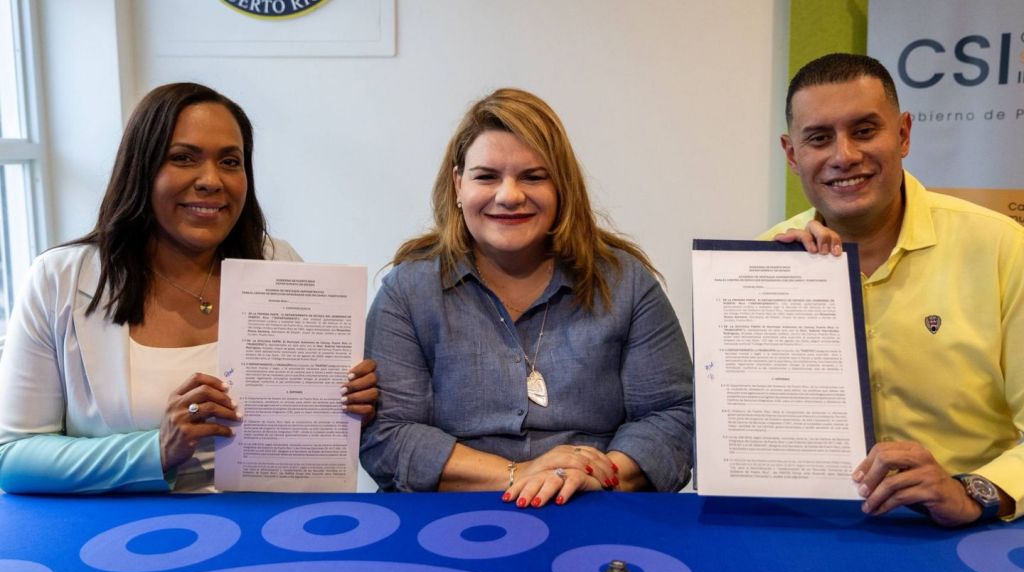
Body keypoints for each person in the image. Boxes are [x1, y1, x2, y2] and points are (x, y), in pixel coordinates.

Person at [0, 83, 377, 494]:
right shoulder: (60, 278)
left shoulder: (276, 262)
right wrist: (157, 449)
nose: (211, 180)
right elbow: (13, 456)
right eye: (183, 158)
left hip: (266, 516)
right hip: (131, 525)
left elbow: (299, 421)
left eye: (230, 162)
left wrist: (347, 404)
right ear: (141, 168)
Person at [360, 88, 694, 508]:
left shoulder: (626, 282)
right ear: (458, 184)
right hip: (445, 514)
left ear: (562, 187)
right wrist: (519, 474)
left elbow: (675, 416)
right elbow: (387, 435)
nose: (509, 195)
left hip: (595, 507)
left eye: (533, 177)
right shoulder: (407, 290)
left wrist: (595, 475)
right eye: (486, 176)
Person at [764, 53, 1023, 526]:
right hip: (809, 526)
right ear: (792, 154)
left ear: (903, 134)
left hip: (965, 533)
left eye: (864, 131)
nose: (844, 156)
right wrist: (786, 292)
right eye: (819, 138)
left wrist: (972, 493)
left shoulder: (1002, 248)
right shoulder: (759, 264)